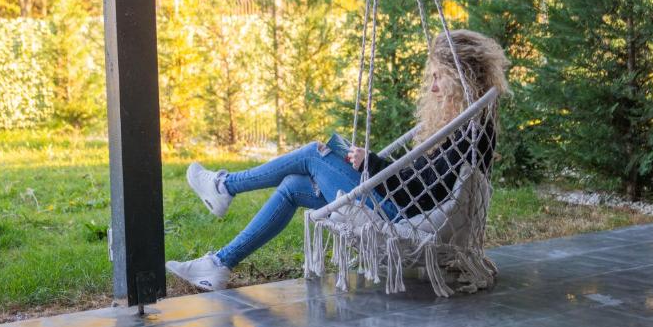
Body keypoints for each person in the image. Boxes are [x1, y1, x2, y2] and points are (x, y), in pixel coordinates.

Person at [166, 29, 510, 291]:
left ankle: (225, 186)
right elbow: (425, 180)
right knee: (293, 186)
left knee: (313, 153)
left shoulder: (471, 131)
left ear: (460, 76)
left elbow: (421, 189)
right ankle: (219, 264)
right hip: (399, 202)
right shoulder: (470, 124)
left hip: (395, 212)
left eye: (439, 77)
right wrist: (368, 161)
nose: (433, 88)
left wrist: (370, 164)